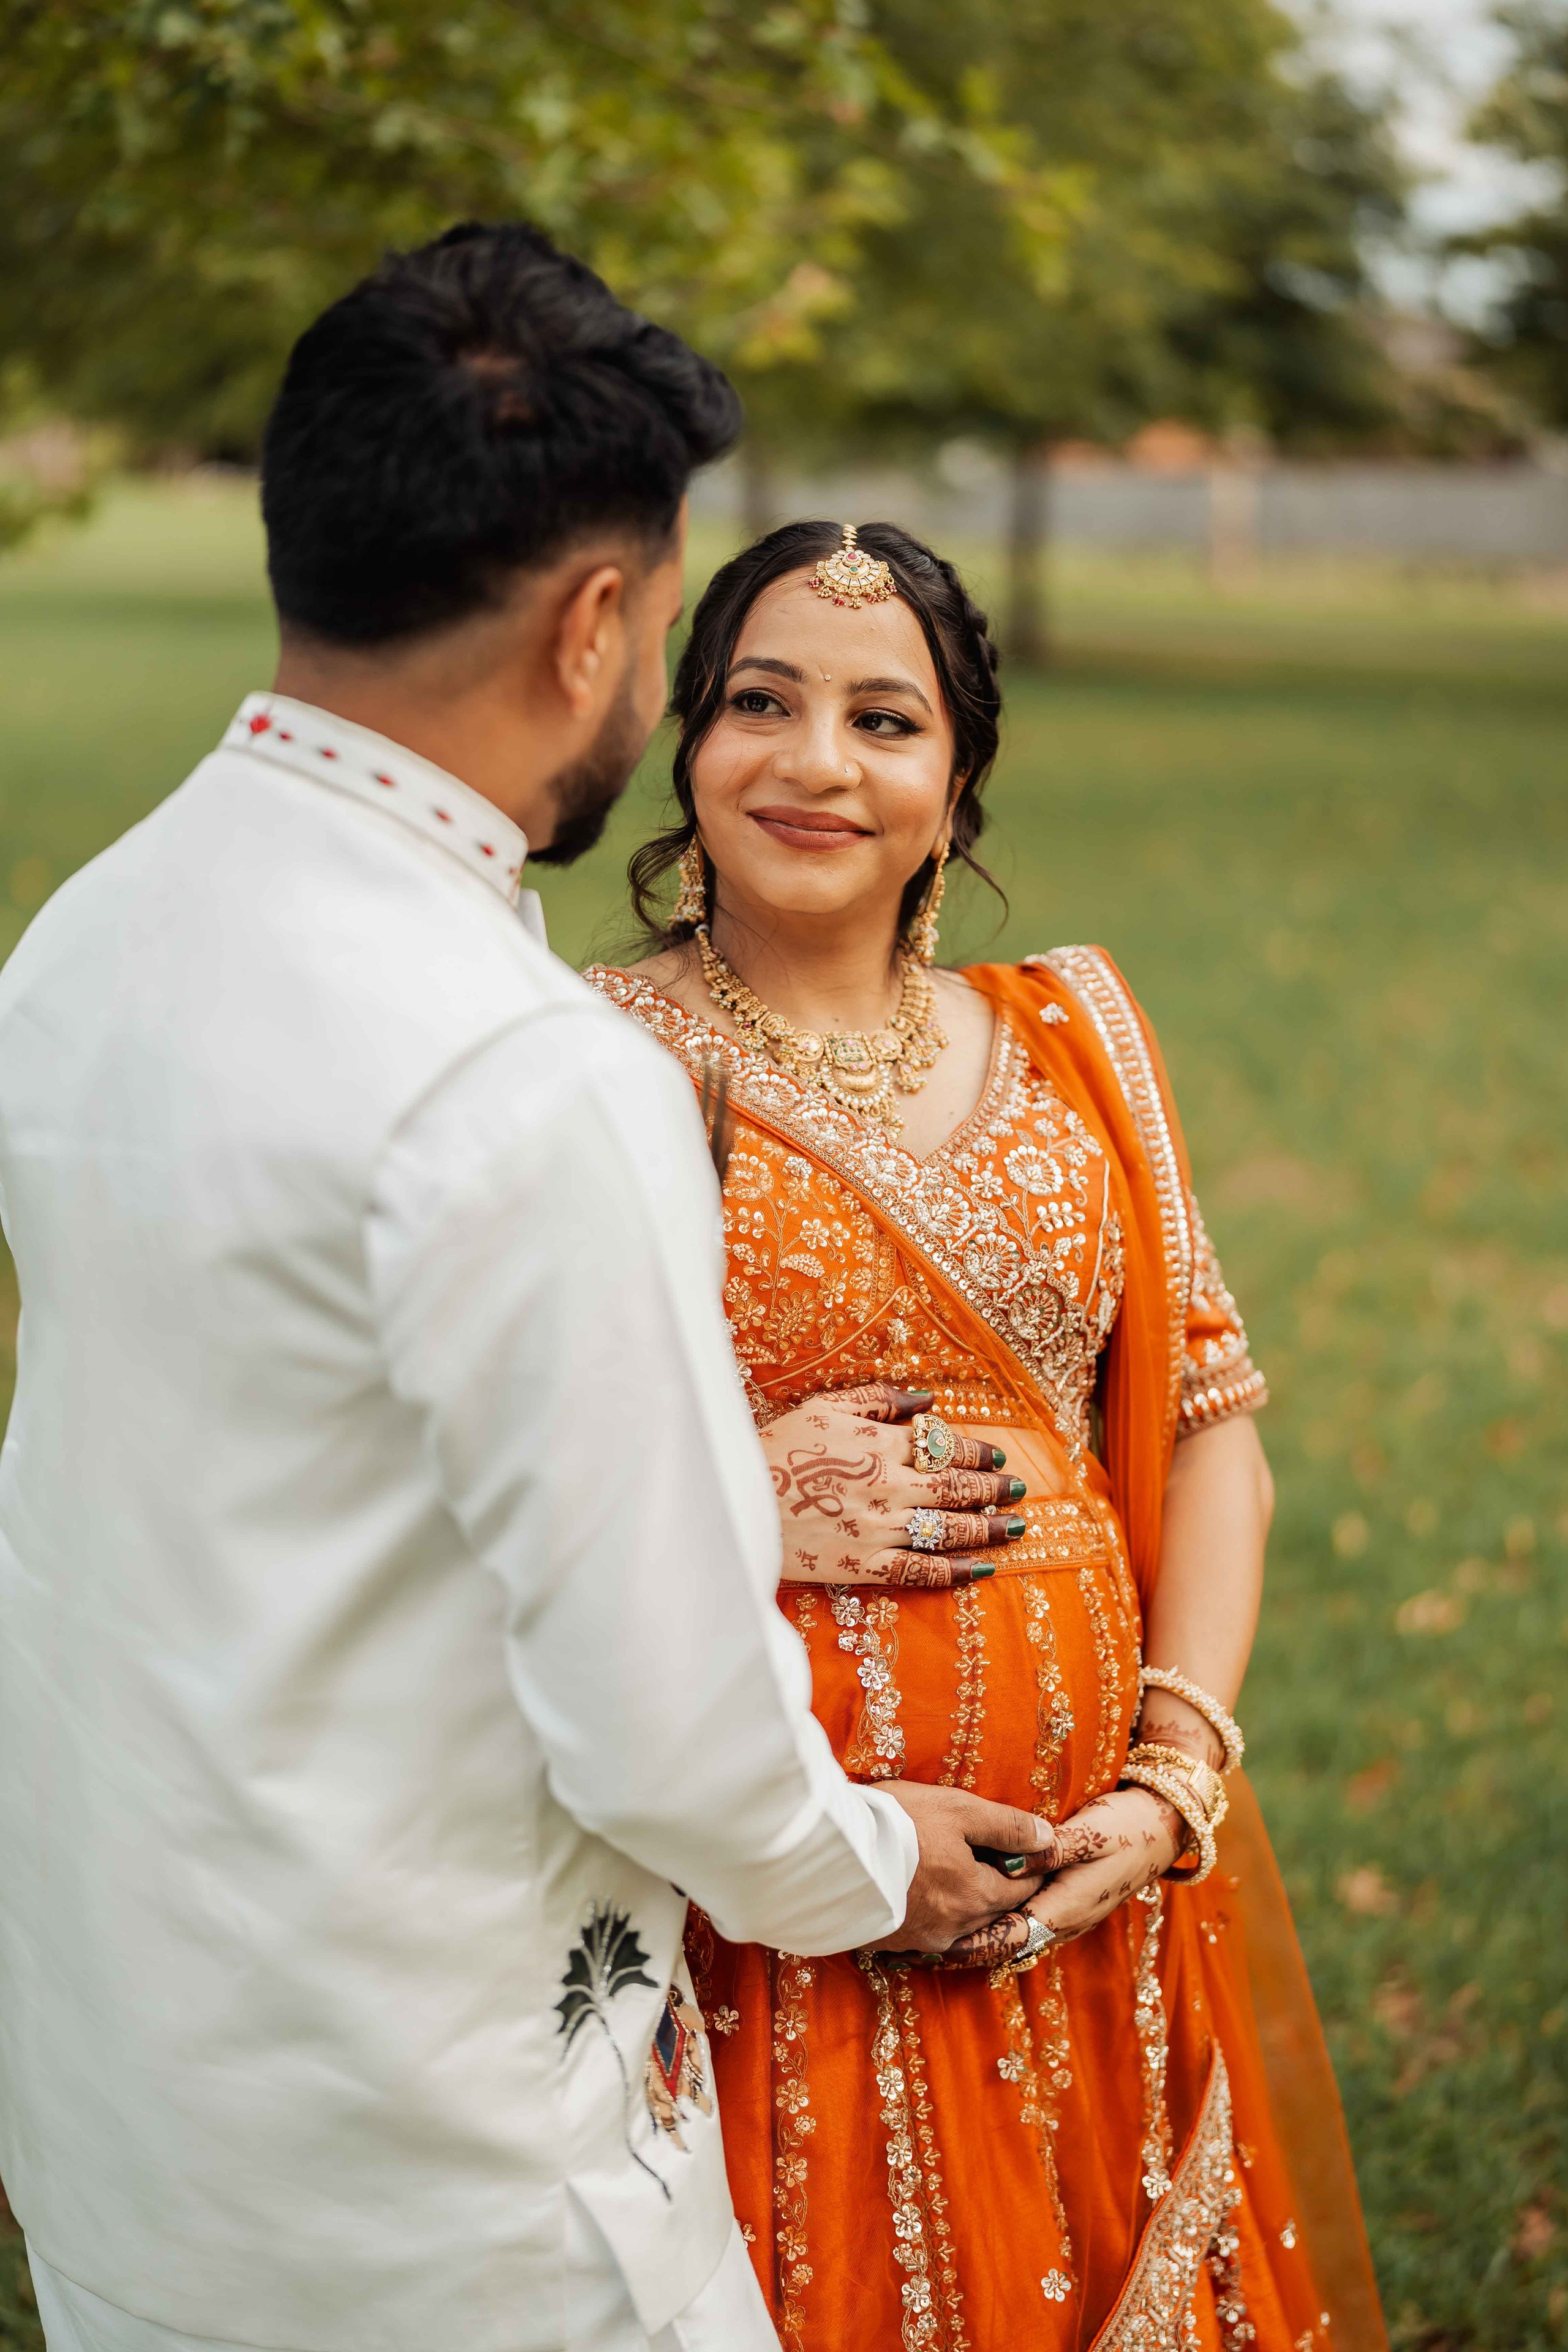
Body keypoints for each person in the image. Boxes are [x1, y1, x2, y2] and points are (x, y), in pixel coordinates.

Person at [0, 236, 1061, 2352]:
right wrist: (869, 1867)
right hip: (448, 2170)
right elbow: (666, 1719)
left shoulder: (89, 934)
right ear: (597, 624)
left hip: (126, 2092)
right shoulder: (524, 1081)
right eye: (676, 622)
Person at [587, 519, 1390, 2352]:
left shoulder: (1078, 1034)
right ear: (687, 742)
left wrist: (1168, 1789)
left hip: (1095, 1880)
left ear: (957, 785)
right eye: (758, 704)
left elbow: (1206, 1426)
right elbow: (506, 1481)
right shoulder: (596, 1062)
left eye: (885, 720)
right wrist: (743, 1491)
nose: (813, 763)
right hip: (785, 1896)